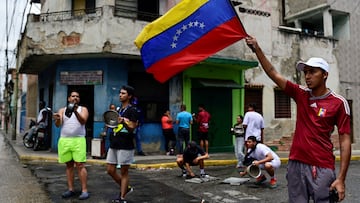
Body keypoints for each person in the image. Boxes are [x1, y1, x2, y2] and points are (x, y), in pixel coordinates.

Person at [245, 36, 351, 202]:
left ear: (324, 75)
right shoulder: (301, 94)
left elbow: (345, 141)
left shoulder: (338, 103)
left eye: (312, 72)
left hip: (322, 166)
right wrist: (257, 49)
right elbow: (273, 73)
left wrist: (341, 178)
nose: (307, 76)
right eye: (305, 72)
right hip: (296, 165)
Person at [53, 91, 90, 200]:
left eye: (77, 96)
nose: (75, 98)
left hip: (78, 140)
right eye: (73, 96)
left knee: (80, 165)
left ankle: (84, 190)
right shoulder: (62, 110)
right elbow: (58, 125)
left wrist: (75, 112)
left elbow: (83, 121)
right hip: (65, 140)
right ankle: (71, 189)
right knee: (69, 166)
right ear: (69, 98)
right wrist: (57, 119)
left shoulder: (83, 109)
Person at [106, 85, 138, 203]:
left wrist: (124, 122)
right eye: (120, 93)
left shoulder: (132, 110)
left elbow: (132, 127)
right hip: (114, 143)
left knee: (124, 171)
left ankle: (122, 197)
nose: (120, 95)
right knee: (110, 170)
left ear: (129, 96)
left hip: (125, 144)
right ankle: (126, 188)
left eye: (123, 93)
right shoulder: (119, 110)